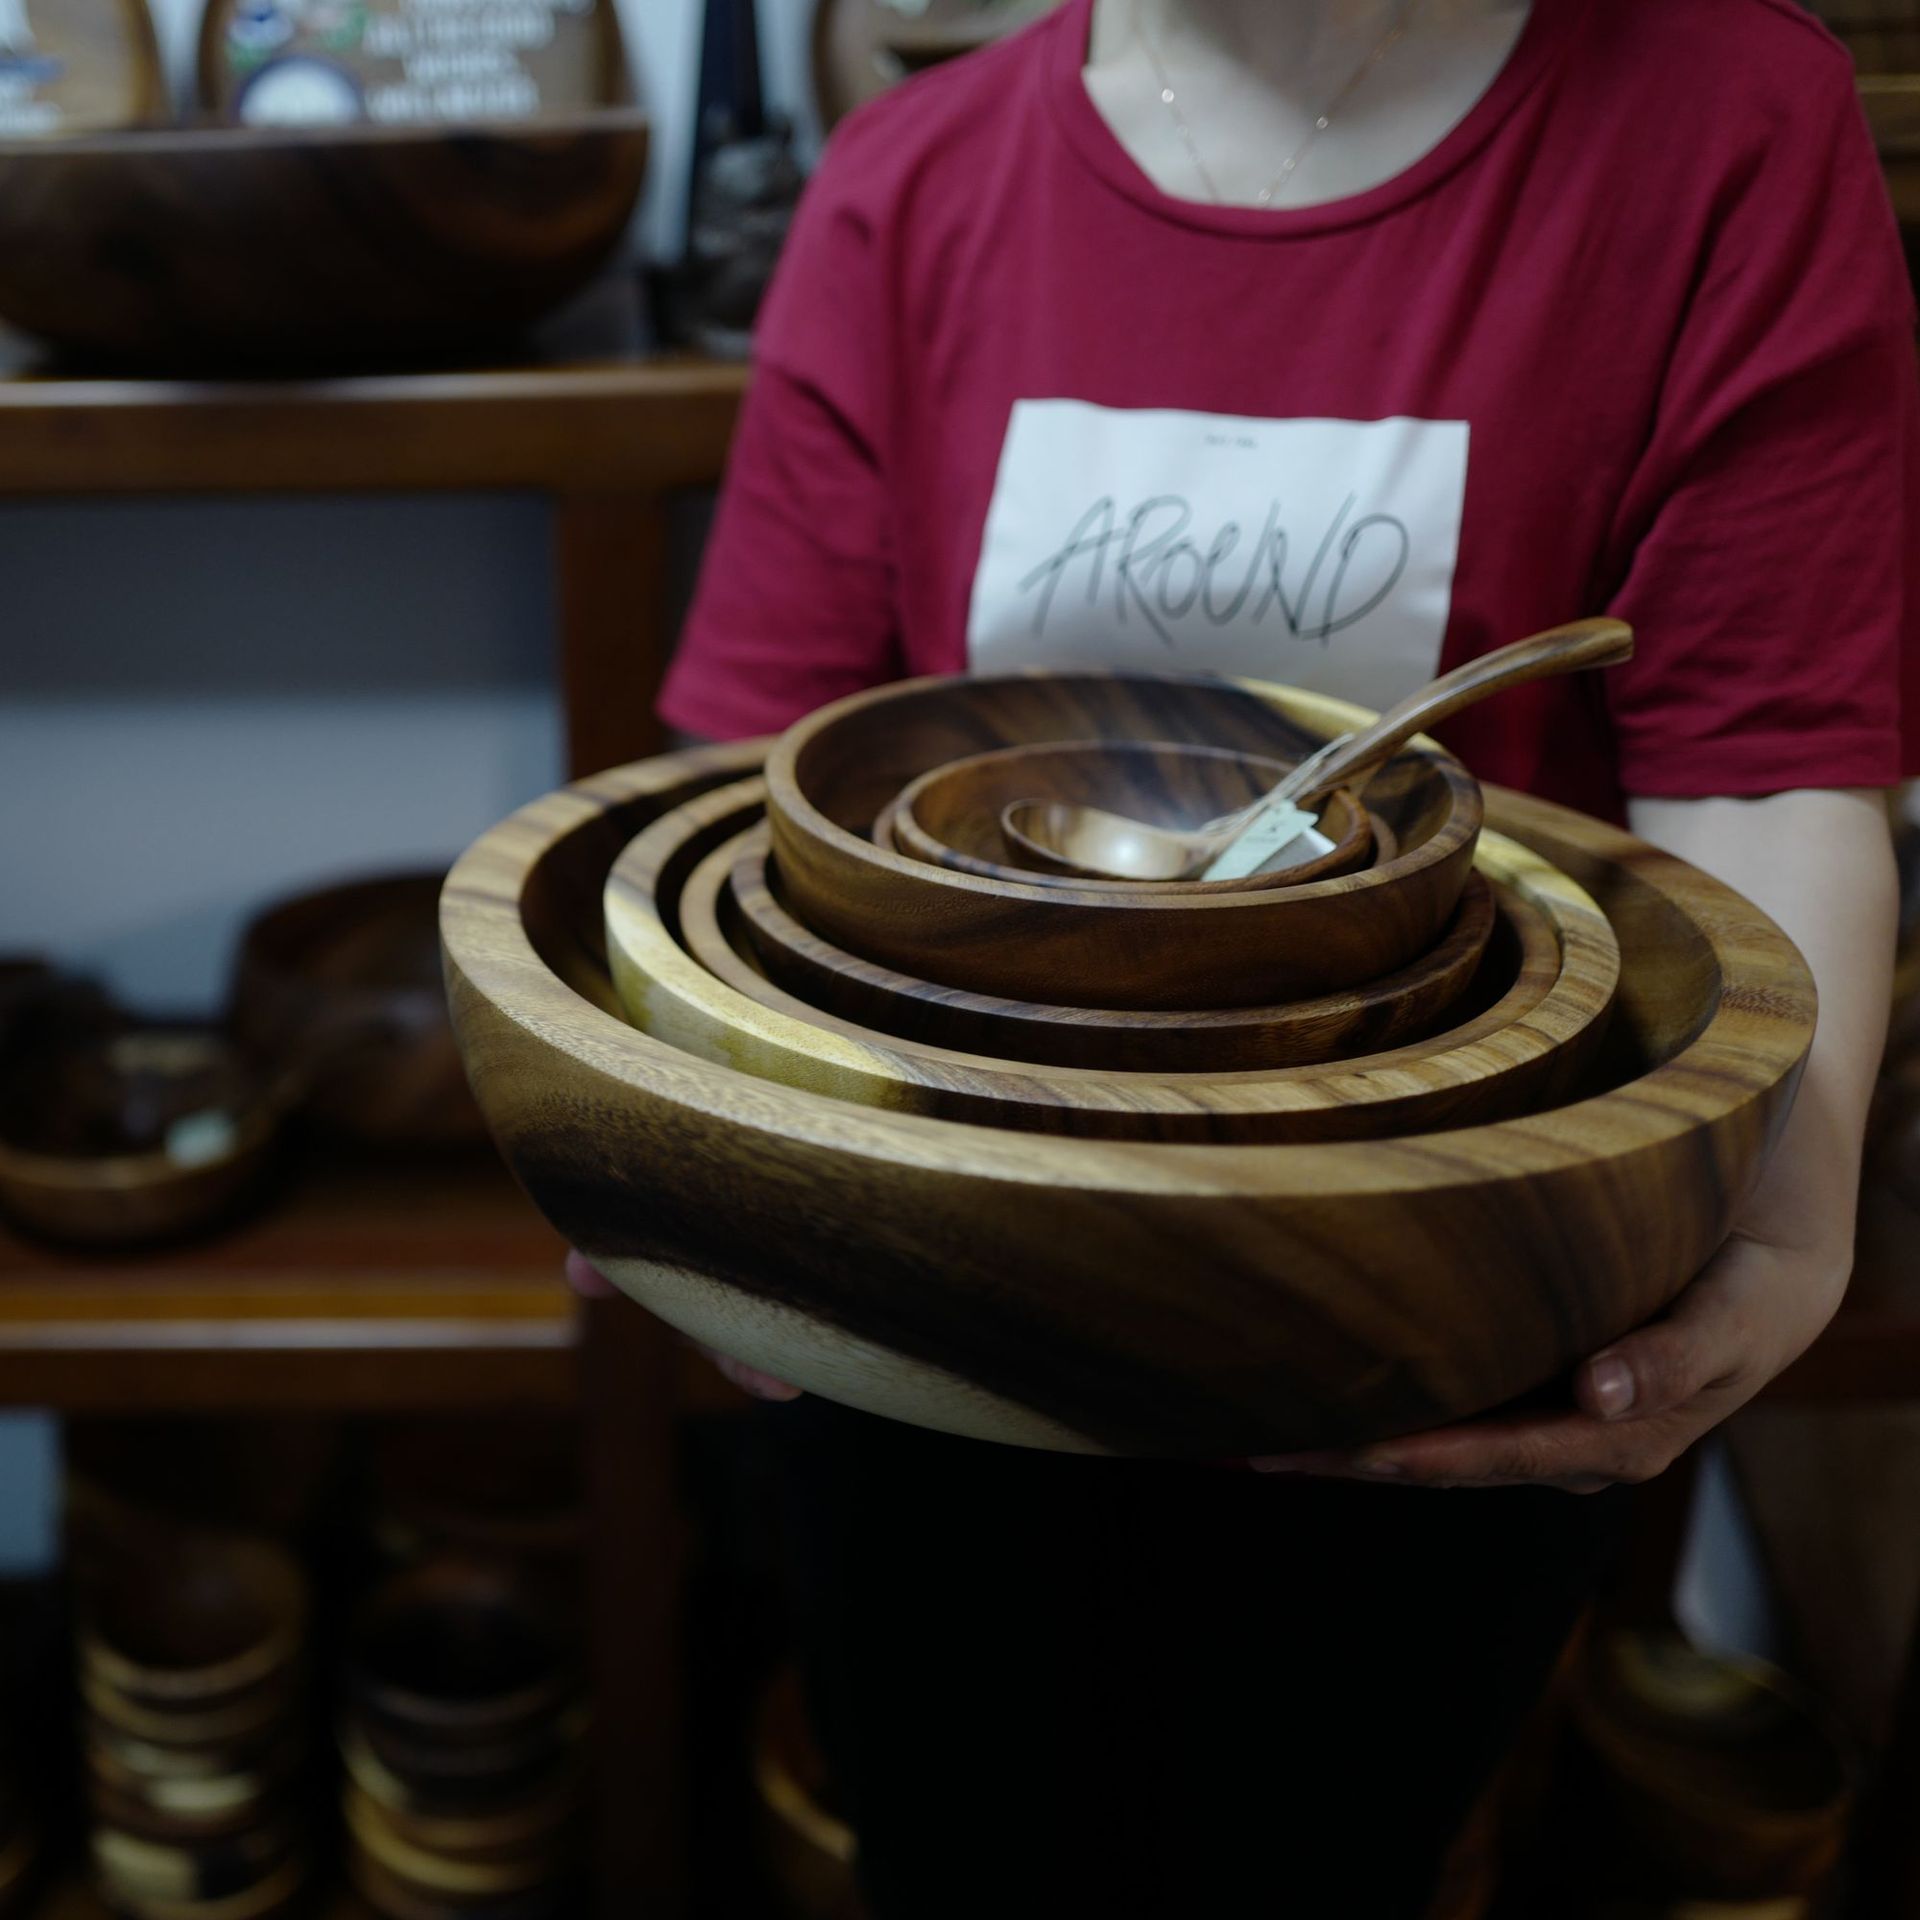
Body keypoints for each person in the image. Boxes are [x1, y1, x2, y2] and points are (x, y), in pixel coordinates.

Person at [570, 0, 1919, 1909]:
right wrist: (664, 1126)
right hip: (950, 1287)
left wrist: (1791, 1214)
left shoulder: (1724, 117)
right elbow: (742, 797)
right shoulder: (909, 179)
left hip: (1434, 1301)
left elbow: (1766, 766)